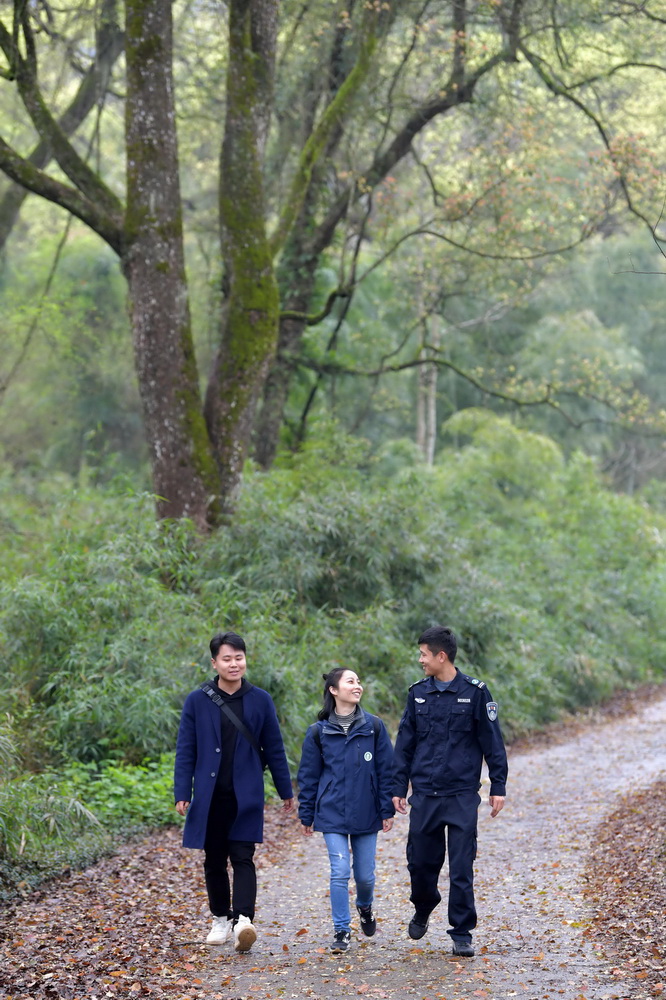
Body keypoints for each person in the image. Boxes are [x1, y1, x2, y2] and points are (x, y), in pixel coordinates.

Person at [174, 631, 294, 953]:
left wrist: (286, 790)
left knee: (243, 857)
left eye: (238, 657)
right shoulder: (197, 700)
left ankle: (243, 920)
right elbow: (186, 749)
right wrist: (182, 791)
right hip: (211, 797)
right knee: (214, 860)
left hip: (246, 795)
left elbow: (275, 748)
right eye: (226, 658)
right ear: (214, 662)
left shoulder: (260, 700)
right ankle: (219, 919)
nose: (234, 664)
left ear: (245, 659)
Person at [392, 625, 507, 958]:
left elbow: (492, 742)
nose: (420, 660)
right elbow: (405, 744)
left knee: (461, 866)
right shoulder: (417, 694)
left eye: (423, 654)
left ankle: (461, 931)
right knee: (420, 864)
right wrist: (399, 786)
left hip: (460, 795)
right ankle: (424, 904)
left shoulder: (475, 693)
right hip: (425, 794)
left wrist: (498, 785)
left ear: (441, 656)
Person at [297, 668, 395, 954]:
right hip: (331, 813)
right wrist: (306, 813)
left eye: (359, 681)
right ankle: (341, 930)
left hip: (367, 811)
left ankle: (365, 906)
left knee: (365, 876)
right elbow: (309, 776)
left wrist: (386, 808)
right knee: (339, 871)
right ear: (333, 690)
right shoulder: (318, 732)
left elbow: (385, 770)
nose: (358, 686)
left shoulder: (374, 727)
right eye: (351, 681)